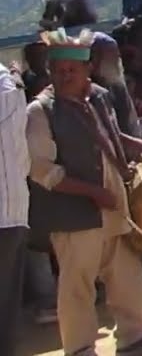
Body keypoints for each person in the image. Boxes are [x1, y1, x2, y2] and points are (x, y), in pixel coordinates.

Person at [25, 29, 142, 355]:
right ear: (49, 71)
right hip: (74, 214)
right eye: (58, 70)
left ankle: (134, 335)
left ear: (88, 69)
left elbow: (112, 138)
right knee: (77, 286)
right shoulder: (41, 111)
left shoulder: (98, 96)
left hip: (113, 204)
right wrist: (92, 192)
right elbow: (42, 171)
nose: (65, 76)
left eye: (72, 70)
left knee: (126, 275)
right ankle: (80, 348)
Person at [0, 61, 28, 356]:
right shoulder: (10, 86)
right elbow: (21, 152)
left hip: (10, 211)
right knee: (5, 307)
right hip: (9, 210)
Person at [90, 32, 140, 137]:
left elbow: (132, 125)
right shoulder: (85, 90)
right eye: (111, 55)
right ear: (94, 59)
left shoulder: (119, 88)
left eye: (117, 55)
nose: (116, 60)